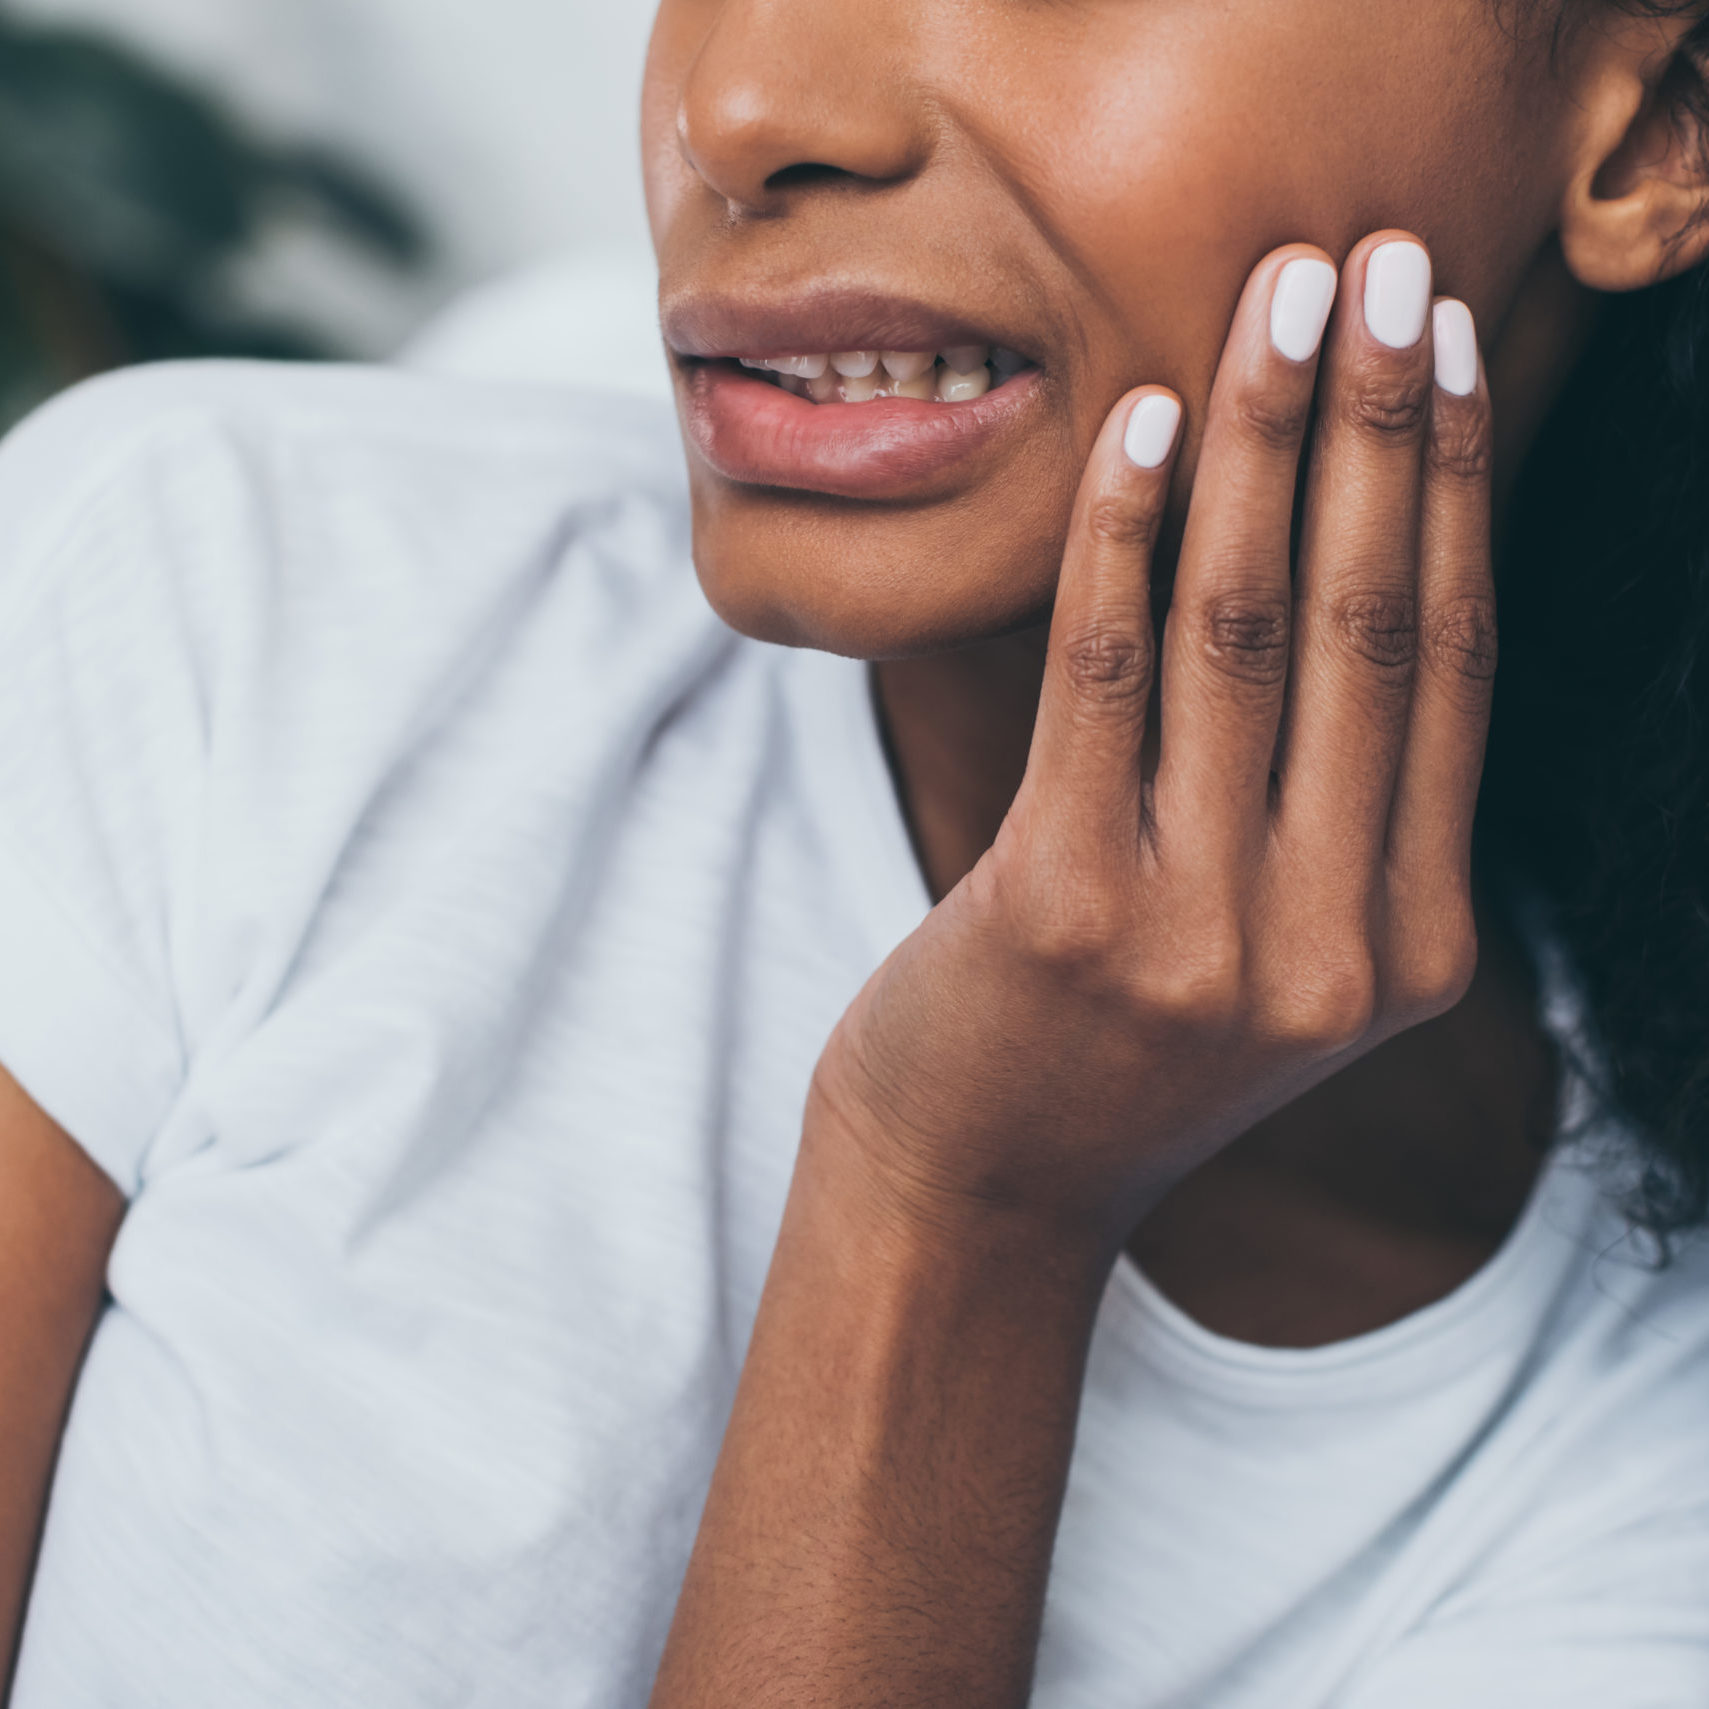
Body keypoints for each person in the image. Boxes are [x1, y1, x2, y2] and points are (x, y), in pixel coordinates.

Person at [1, 0, 1708, 1702]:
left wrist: (966, 1210)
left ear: (1654, 129)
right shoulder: (203, 600)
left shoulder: (1630, 1499)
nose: (742, 106)